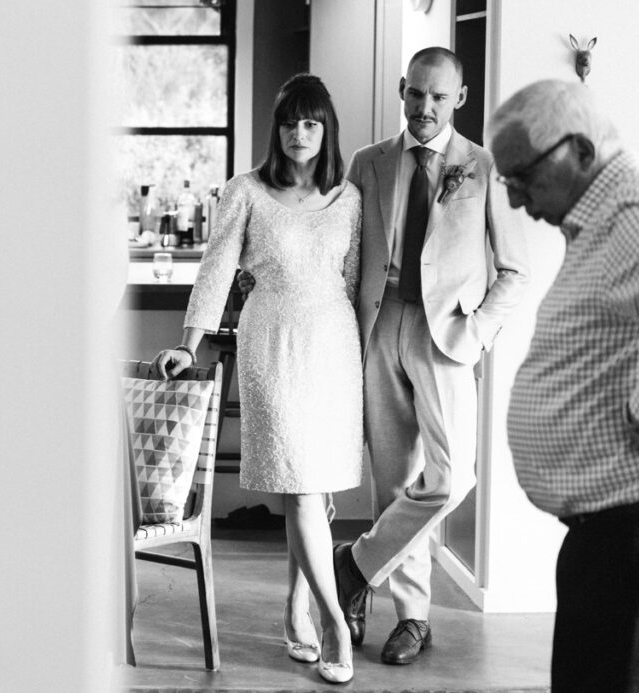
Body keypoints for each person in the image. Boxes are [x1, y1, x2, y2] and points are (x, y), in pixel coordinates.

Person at [323, 47, 531, 665]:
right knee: (394, 482)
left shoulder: (484, 167)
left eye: (439, 96)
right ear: (401, 89)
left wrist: (479, 332)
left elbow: (515, 270)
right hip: (379, 323)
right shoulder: (368, 162)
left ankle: (355, 566)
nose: (425, 106)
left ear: (458, 98)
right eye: (416, 93)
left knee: (451, 477)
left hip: (448, 336)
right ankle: (412, 619)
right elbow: (343, 252)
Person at [154, 73, 363, 684]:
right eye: (290, 122)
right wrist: (188, 344)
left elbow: (353, 282)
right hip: (271, 341)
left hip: (333, 346)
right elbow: (216, 270)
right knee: (301, 485)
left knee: (312, 488)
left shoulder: (349, 197)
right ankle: (334, 621)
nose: (299, 133)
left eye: (311, 123)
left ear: (326, 130)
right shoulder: (244, 191)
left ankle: (296, 610)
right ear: (277, 129)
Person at [489, 79, 639, 693]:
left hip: (631, 534)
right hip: (606, 534)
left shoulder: (634, 217)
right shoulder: (601, 224)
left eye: (523, 176)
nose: (515, 197)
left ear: (580, 150)